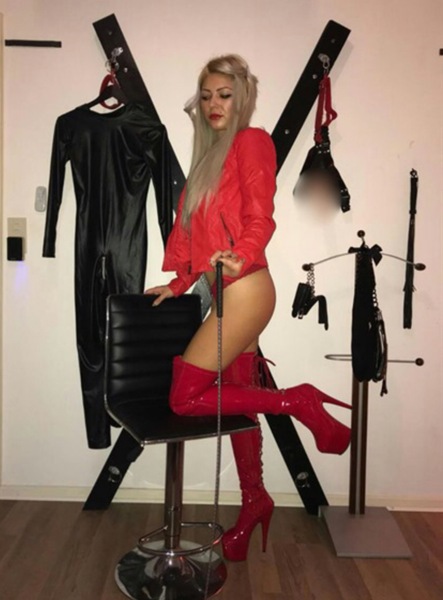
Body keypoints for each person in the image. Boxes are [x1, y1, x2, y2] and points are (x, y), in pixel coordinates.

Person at [146, 54, 351, 561]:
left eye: (224, 95)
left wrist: (242, 253)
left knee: (184, 397)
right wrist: (181, 281)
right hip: (227, 288)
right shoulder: (208, 159)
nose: (213, 104)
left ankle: (298, 402)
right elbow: (197, 232)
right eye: (207, 96)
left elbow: (262, 214)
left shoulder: (251, 142)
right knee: (238, 401)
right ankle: (255, 501)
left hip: (246, 287)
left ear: (242, 98)